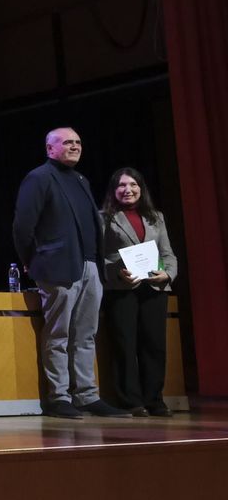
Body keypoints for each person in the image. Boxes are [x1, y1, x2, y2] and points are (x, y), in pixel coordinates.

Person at [13, 127, 130, 418]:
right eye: (67, 142)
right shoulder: (39, 178)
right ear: (50, 149)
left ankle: (87, 396)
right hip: (57, 267)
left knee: (86, 335)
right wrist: (32, 260)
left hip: (90, 265)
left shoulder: (80, 179)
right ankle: (59, 397)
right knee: (59, 334)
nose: (74, 146)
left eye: (78, 142)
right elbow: (22, 226)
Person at [100, 167, 179, 416]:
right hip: (122, 287)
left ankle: (155, 399)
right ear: (114, 191)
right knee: (125, 344)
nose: (128, 190)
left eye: (133, 185)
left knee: (154, 346)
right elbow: (97, 256)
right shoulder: (103, 217)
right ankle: (131, 401)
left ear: (141, 188)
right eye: (122, 185)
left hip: (154, 287)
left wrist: (168, 273)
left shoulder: (156, 216)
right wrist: (116, 271)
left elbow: (167, 253)